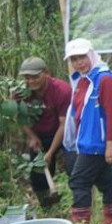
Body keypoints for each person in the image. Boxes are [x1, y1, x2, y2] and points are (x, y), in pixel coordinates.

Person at [64, 38, 112, 224]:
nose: (79, 62)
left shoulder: (105, 79)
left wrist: (110, 144)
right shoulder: (84, 80)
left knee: (79, 181)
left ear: (91, 55)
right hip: (87, 141)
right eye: (74, 59)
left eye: (82, 57)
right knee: (105, 180)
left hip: (97, 143)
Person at [15, 56, 73, 208]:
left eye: (35, 77)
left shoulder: (62, 90)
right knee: (38, 175)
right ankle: (48, 208)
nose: (31, 81)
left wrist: (51, 152)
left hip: (66, 134)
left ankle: (79, 207)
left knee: (74, 169)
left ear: (46, 73)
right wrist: (32, 136)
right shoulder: (20, 93)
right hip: (40, 136)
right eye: (27, 78)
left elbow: (64, 124)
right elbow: (19, 116)